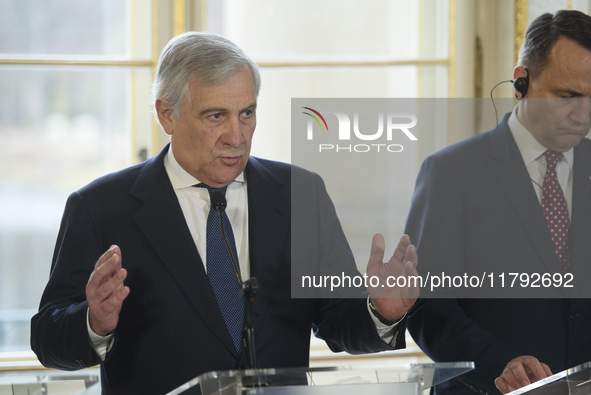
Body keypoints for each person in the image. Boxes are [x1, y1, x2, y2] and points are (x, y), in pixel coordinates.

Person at [30, 32, 419, 394]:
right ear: (167, 114)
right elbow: (48, 338)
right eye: (216, 116)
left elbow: (336, 319)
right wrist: (94, 322)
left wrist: (378, 313)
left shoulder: (302, 193)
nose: (237, 136)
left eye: (247, 113)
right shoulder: (101, 206)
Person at [405, 10, 591, 395]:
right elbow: (427, 307)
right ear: (521, 81)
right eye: (568, 96)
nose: (583, 115)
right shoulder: (451, 173)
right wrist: (500, 363)